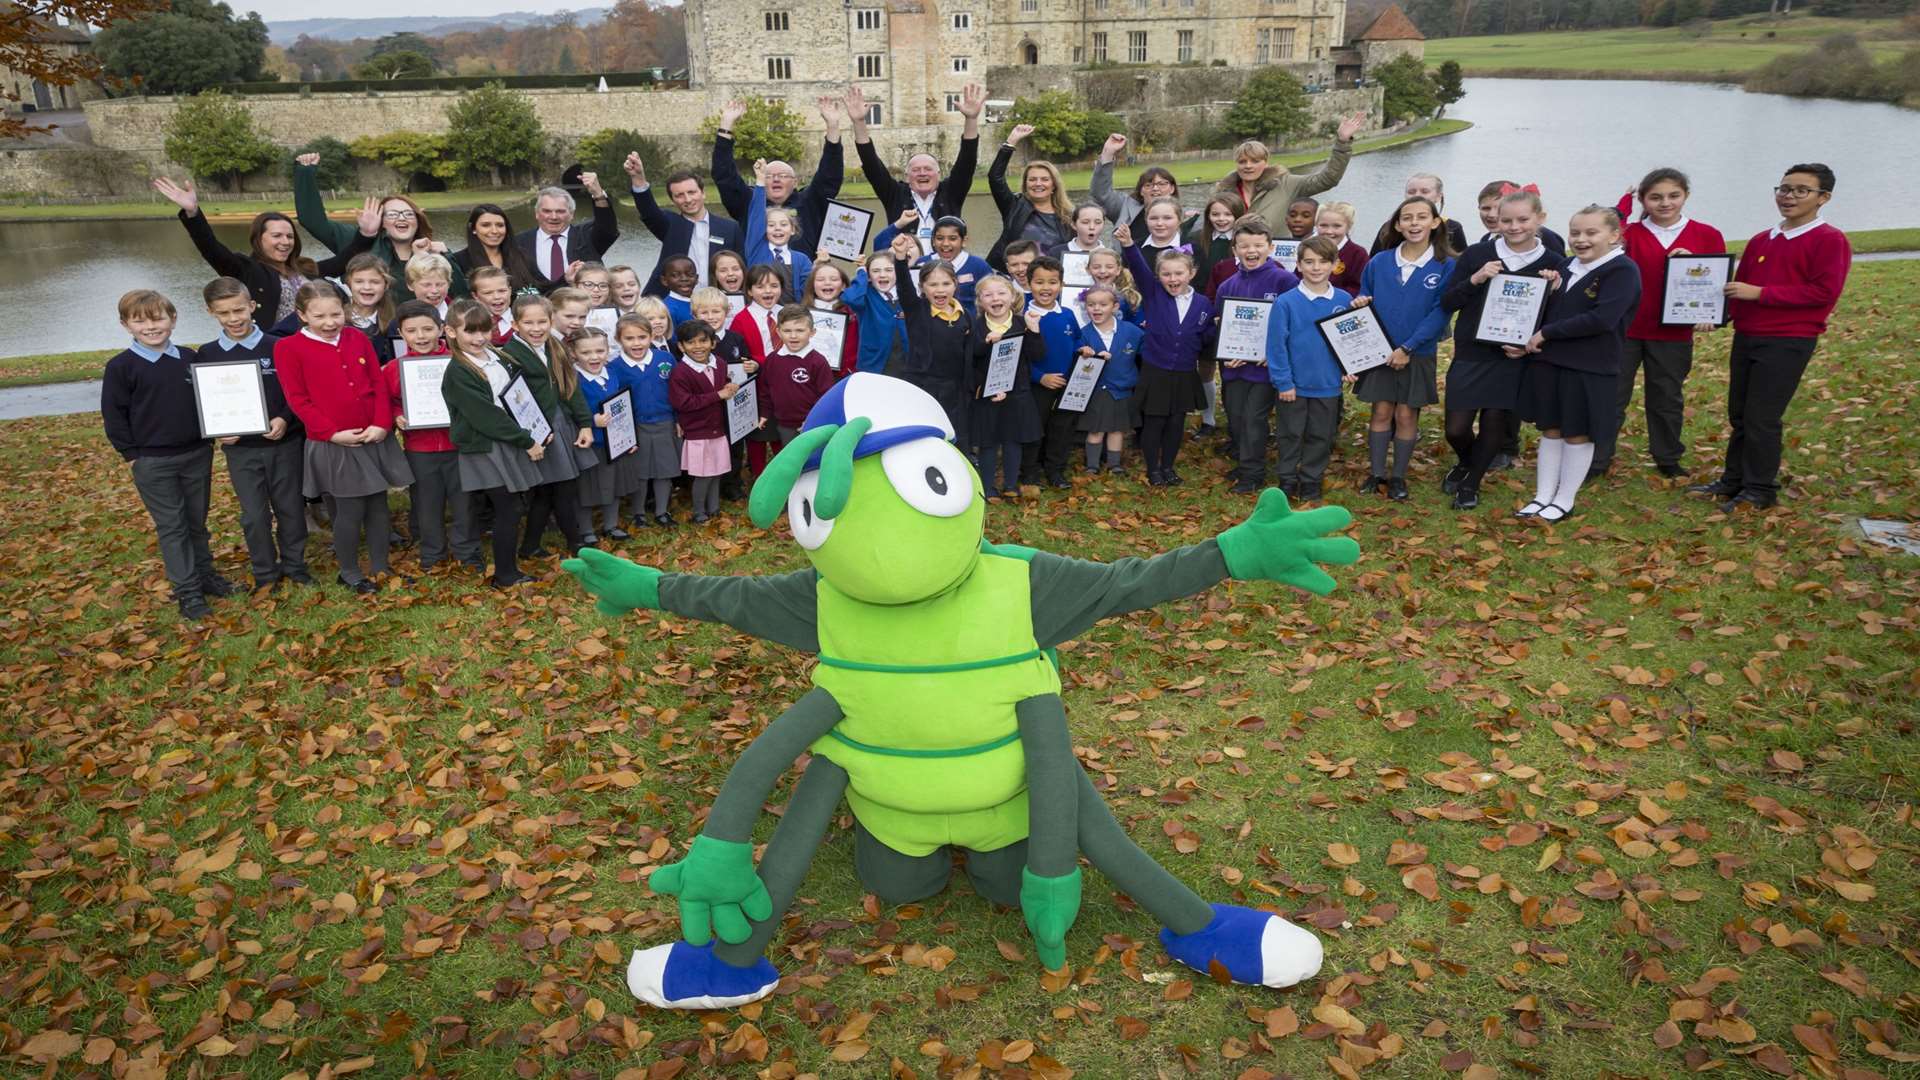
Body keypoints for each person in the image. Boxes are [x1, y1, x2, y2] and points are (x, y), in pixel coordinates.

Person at [1689, 163, 1851, 512]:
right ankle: (1734, 481)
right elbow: (1737, 292)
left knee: (1763, 416)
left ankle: (1761, 489)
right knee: (1740, 414)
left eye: (1800, 191)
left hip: (1788, 339)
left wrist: (1760, 294)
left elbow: (1823, 293)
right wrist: (1714, 317)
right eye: (1783, 188)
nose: (1788, 196)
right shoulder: (1763, 239)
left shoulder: (1830, 240)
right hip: (1748, 336)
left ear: (1823, 198)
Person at [275, 281, 414, 593]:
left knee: (378, 506)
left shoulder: (356, 337)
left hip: (372, 436)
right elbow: (298, 400)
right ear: (302, 315)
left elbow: (377, 383)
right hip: (335, 442)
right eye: (320, 316)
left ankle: (380, 567)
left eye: (336, 314)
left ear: (345, 310)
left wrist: (381, 424)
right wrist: (332, 433)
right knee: (350, 510)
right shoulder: (288, 348)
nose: (329, 322)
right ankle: (349, 571)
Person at [101, 289, 232, 621]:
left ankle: (205, 577)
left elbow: (211, 402)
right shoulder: (121, 367)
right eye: (139, 321)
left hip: (195, 454)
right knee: (173, 526)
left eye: (158, 318)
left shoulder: (189, 359)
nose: (150, 327)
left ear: (173, 319)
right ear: (125, 324)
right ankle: (187, 591)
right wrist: (132, 456)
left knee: (196, 522)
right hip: (152, 461)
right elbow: (114, 415)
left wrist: (215, 433)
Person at [1511, 206, 1643, 521]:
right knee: (1552, 429)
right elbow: (1555, 308)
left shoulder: (1622, 270)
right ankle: (1543, 496)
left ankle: (1564, 500)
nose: (1580, 240)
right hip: (1550, 361)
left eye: (1591, 233)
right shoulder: (1566, 265)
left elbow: (1602, 318)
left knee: (1577, 432)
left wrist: (1546, 332)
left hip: (1590, 365)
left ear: (1614, 235)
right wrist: (1550, 292)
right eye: (1575, 233)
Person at [1439, 188, 1566, 510]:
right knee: (1456, 428)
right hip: (1473, 350)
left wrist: (1555, 290)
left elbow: (1558, 316)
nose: (1514, 226)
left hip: (1514, 355)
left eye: (1523, 219)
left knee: (1495, 421)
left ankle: (1472, 482)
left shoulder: (1553, 263)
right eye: (1506, 220)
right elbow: (1449, 301)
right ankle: (1468, 460)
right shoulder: (1478, 255)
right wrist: (1477, 278)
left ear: (1540, 219)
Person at [1596, 168, 1727, 479]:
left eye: (1673, 196)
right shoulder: (1628, 235)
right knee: (1611, 395)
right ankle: (1598, 458)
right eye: (1655, 197)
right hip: (1625, 329)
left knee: (1666, 397)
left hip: (1672, 332)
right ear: (1643, 199)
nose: (1665, 203)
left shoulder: (1706, 234)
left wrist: (1709, 312)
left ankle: (1667, 457)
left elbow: (1717, 283)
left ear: (1685, 196)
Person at [151, 177, 378, 330]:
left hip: (319, 341)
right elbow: (211, 248)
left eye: (289, 236)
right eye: (276, 236)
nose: (285, 242)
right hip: (276, 348)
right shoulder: (246, 269)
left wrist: (367, 233)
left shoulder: (305, 268)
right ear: (259, 239)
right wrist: (193, 213)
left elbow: (343, 261)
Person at [199, 277, 309, 591]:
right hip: (241, 451)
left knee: (290, 509)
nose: (234, 319)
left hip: (284, 444)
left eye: (239, 310)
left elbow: (297, 392)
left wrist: (286, 419)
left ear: (252, 306)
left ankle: (295, 565)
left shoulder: (279, 346)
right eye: (224, 313)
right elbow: (205, 403)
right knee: (254, 515)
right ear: (211, 313)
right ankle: (265, 573)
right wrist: (218, 431)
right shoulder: (207, 355)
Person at [1351, 196, 1455, 500]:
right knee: (1381, 411)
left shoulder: (1445, 265)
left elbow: (1440, 312)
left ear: (1435, 222)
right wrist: (1359, 302)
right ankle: (1376, 474)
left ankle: (1398, 477)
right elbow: (1365, 295)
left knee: (1407, 415)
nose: (1414, 223)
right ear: (1397, 224)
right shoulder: (1380, 261)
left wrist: (1408, 347)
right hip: (1379, 351)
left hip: (1417, 353)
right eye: (1407, 218)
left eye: (1422, 217)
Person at [441, 299, 543, 588]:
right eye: (470, 332)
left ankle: (509, 567)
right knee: (508, 508)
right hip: (487, 446)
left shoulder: (497, 357)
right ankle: (505, 574)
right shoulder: (459, 372)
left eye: (484, 330)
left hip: (507, 440)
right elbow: (485, 416)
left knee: (514, 506)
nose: (479, 338)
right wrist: (526, 440)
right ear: (450, 331)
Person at [383, 300, 476, 573]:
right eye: (412, 331)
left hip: (458, 445)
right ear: (401, 333)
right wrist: (396, 415)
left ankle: (467, 552)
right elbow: (389, 401)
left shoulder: (460, 363)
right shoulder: (393, 369)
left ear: (442, 330)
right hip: (420, 449)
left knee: (464, 503)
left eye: (427, 329)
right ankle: (432, 554)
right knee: (426, 504)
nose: (420, 337)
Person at [1121, 223, 1217, 486]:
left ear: (1192, 273)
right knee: (1155, 422)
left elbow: (1206, 335)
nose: (1173, 279)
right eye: (1166, 274)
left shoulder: (1203, 304)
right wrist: (1129, 244)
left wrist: (1220, 329)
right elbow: (1138, 267)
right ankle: (1153, 469)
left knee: (1176, 423)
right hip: (1156, 371)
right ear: (1158, 276)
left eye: (1178, 273)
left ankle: (1168, 467)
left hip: (1185, 371)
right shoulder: (1153, 294)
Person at [500, 294, 595, 558]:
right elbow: (512, 401)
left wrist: (585, 423)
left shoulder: (554, 345)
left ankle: (530, 546)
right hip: (537, 430)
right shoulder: (509, 354)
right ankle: (575, 542)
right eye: (528, 322)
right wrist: (529, 437)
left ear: (551, 320)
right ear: (515, 324)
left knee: (553, 489)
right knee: (558, 488)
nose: (536, 328)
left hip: (561, 422)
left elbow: (570, 387)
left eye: (542, 321)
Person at [1212, 219, 1300, 493]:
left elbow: (1294, 323)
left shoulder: (1285, 280)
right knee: (1236, 416)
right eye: (1244, 246)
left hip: (1265, 368)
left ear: (1271, 247)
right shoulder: (1227, 286)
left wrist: (1272, 353)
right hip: (1235, 367)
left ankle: (1253, 473)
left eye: (1258, 245)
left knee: (1253, 418)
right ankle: (1244, 461)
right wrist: (1226, 353)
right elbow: (1221, 325)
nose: (1251, 251)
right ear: (1235, 249)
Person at [1266, 237, 1353, 502]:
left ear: (1335, 265)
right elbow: (1276, 346)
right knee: (1290, 433)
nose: (1316, 268)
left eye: (1323, 261)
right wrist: (1284, 382)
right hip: (1294, 386)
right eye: (1309, 262)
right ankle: (1288, 478)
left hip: (1327, 384)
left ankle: (1311, 479)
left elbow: (1349, 340)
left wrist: (1350, 366)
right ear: (1299, 265)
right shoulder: (1286, 302)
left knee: (1321, 434)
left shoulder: (1344, 299)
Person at [851, 82, 985, 247]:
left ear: (938, 174)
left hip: (943, 268)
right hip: (905, 267)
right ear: (907, 176)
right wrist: (859, 122)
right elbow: (871, 164)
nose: (922, 173)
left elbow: (967, 162)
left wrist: (971, 119)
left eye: (928, 169)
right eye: (916, 170)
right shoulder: (895, 194)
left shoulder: (951, 193)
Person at [712, 97, 845, 252]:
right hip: (758, 274)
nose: (775, 179)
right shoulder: (748, 202)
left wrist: (833, 126)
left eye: (782, 176)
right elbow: (724, 175)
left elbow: (830, 175)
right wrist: (726, 126)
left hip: (801, 275)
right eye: (769, 176)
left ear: (795, 182)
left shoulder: (809, 203)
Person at [292, 154, 432, 298]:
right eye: (392, 214)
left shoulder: (432, 252)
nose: (401, 218)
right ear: (381, 221)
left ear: (418, 219)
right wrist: (305, 174)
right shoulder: (359, 239)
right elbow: (312, 221)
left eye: (408, 214)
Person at [1211, 116, 1365, 227]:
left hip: (1277, 259)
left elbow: (1327, 179)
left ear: (1266, 163)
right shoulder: (1224, 192)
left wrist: (1342, 143)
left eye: (1255, 161)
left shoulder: (1287, 183)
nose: (1248, 166)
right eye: (1242, 161)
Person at [625, 153, 744, 294]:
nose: (687, 199)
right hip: (673, 301)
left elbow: (741, 267)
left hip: (718, 302)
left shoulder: (730, 228)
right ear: (673, 200)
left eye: (692, 192)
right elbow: (648, 211)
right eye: (679, 195)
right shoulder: (669, 224)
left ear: (702, 193)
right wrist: (638, 179)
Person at [970, 274, 1041, 499]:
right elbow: (970, 358)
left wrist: (1034, 331)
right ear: (980, 301)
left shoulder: (1022, 323)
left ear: (1012, 297)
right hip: (988, 395)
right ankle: (988, 486)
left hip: (1017, 393)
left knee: (1013, 440)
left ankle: (1010, 485)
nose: (995, 298)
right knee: (988, 442)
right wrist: (985, 343)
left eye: (1001, 293)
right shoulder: (976, 326)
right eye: (988, 294)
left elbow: (1037, 355)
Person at [894, 254, 975, 445]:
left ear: (955, 284)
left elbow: (970, 353)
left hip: (955, 388)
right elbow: (904, 287)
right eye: (933, 285)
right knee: (925, 433)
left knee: (954, 434)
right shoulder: (917, 310)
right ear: (922, 287)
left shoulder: (966, 315)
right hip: (924, 384)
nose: (940, 290)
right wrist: (899, 259)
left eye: (946, 284)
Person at [1017, 256, 1083, 489]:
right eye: (1039, 282)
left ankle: (1055, 471)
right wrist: (1040, 377)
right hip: (1036, 385)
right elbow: (1019, 356)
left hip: (1065, 384)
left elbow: (1076, 339)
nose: (1046, 288)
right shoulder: (1022, 315)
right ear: (1029, 283)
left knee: (1062, 429)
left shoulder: (1066, 314)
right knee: (1034, 429)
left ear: (1061, 285)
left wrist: (1083, 348)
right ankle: (1029, 472)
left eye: (1052, 282)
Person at [613, 313, 683, 527]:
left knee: (665, 469)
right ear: (618, 340)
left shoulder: (665, 360)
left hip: (665, 422)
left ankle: (662, 511)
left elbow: (677, 391)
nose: (637, 343)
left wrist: (678, 419)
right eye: (629, 338)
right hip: (636, 426)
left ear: (651, 336)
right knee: (640, 472)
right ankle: (639, 512)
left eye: (642, 337)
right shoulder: (614, 368)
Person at [668, 320, 739, 523]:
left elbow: (720, 388)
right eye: (691, 343)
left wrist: (729, 387)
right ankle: (699, 511)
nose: (698, 347)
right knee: (702, 474)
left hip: (717, 428)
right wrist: (719, 394)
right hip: (698, 431)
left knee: (717, 471)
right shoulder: (681, 372)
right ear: (681, 347)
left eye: (703, 341)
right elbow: (684, 402)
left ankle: (714, 507)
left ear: (713, 343)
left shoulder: (720, 364)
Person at [1076, 283, 1145, 475]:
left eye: (1102, 304)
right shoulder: (1082, 334)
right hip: (1096, 390)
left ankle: (1115, 464)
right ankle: (1092, 465)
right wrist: (1084, 354)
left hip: (1122, 390)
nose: (1096, 309)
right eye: (1091, 304)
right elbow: (1075, 363)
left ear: (1114, 306)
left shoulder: (1132, 331)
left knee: (1117, 429)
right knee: (1095, 430)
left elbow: (1146, 352)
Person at [987, 125, 1074, 270]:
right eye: (1032, 179)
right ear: (1025, 184)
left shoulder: (1069, 216)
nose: (1038, 184)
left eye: (1044, 179)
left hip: (1047, 282)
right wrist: (1011, 141)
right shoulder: (1014, 206)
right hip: (1010, 278)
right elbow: (995, 178)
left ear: (1054, 185)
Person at [569, 325, 626, 542]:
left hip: (614, 441)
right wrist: (592, 421)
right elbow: (569, 411)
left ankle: (611, 525)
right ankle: (586, 530)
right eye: (586, 353)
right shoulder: (573, 379)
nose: (594, 357)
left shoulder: (612, 372)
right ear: (574, 353)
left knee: (613, 484)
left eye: (600, 351)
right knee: (586, 489)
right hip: (588, 443)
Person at [876, 212, 994, 316]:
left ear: (964, 241)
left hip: (967, 331)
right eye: (940, 238)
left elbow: (991, 299)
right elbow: (879, 248)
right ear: (933, 240)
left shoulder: (979, 266)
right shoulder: (921, 263)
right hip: (930, 331)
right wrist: (899, 224)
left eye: (953, 238)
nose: (945, 243)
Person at [518, 175, 620, 293]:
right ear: (536, 214)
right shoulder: (519, 242)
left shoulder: (586, 237)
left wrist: (598, 194)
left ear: (571, 214)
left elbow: (607, 228)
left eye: (560, 211)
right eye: (547, 211)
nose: (553, 217)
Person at [761, 305, 837, 445]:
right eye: (787, 331)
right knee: (792, 461)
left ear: (812, 332)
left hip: (811, 423)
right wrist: (764, 413)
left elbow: (826, 396)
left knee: (812, 461)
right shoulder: (772, 360)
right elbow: (765, 390)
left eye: (800, 330)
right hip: (784, 424)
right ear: (778, 331)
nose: (793, 336)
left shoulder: (818, 361)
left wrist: (813, 419)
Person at [1090, 134, 1189, 241]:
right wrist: (1108, 153)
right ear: (1141, 191)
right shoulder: (1125, 208)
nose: (1155, 188)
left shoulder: (1186, 216)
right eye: (1148, 185)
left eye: (1162, 184)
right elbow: (1100, 193)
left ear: (1172, 188)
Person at [449, 204, 542, 297]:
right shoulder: (458, 261)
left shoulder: (521, 255)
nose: (494, 231)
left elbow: (542, 287)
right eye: (486, 225)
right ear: (473, 228)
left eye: (500, 225)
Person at [843, 250, 909, 375]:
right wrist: (861, 272)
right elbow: (851, 299)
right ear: (869, 276)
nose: (882, 275)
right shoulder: (866, 296)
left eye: (889, 270)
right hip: (873, 366)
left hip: (905, 367)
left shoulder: (907, 294)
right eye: (875, 271)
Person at [1371, 174, 1470, 256]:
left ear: (1439, 196)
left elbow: (1462, 266)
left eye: (1425, 191)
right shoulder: (1389, 227)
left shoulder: (1452, 228)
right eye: (1411, 192)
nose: (1417, 195)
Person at [801, 261, 860, 376]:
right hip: (810, 375)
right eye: (820, 279)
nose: (827, 283)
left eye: (834, 279)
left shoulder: (854, 313)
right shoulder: (801, 313)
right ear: (812, 285)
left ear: (843, 285)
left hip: (844, 375)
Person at [1476, 182, 1566, 256]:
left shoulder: (1546, 237)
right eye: (1486, 208)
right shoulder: (1486, 239)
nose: (1491, 215)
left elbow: (1561, 268)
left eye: (1498, 208)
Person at [1192, 196, 1244, 297]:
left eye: (1228, 214)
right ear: (1208, 216)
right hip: (1202, 297)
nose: (1221, 219)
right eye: (1215, 214)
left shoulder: (1244, 242)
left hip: (1234, 298)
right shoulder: (1195, 239)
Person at [1315, 202, 1369, 296]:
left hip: (1340, 307)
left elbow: (1359, 287)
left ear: (1348, 227)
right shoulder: (1307, 249)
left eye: (1337, 226)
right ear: (1316, 225)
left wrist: (1327, 296)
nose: (1329, 231)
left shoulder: (1358, 254)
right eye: (1323, 225)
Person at [405, 254, 453, 321]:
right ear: (410, 285)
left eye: (440, 284)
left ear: (449, 284)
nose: (434, 291)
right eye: (426, 285)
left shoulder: (461, 315)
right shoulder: (402, 317)